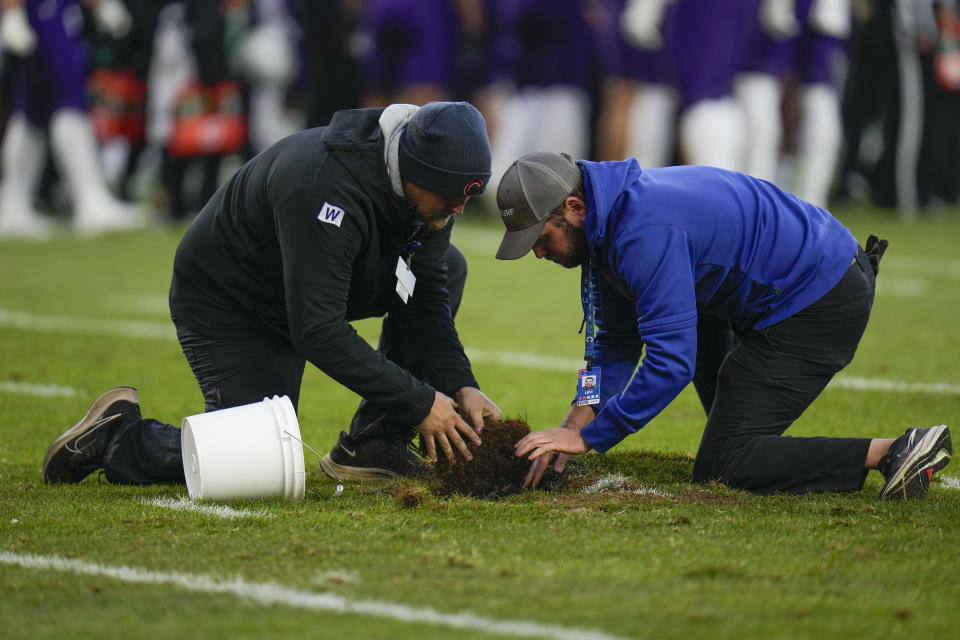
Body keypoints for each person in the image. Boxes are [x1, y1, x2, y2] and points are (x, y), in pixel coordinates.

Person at [41, 101, 502, 486]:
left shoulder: (431, 187)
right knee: (260, 462)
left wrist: (462, 384)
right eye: (449, 196)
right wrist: (421, 401)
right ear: (413, 171)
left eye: (467, 196)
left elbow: (425, 301)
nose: (459, 208)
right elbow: (317, 330)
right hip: (232, 300)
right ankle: (116, 437)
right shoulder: (324, 184)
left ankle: (375, 443)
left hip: (303, 286)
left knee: (446, 266)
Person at [496, 151, 952, 499]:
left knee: (725, 463)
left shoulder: (640, 232)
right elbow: (615, 340)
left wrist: (591, 436)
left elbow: (671, 361)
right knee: (734, 435)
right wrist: (583, 409)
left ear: (574, 207)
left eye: (541, 239)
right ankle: (752, 440)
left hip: (820, 298)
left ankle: (894, 449)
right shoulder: (607, 216)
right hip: (795, 283)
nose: (538, 253)